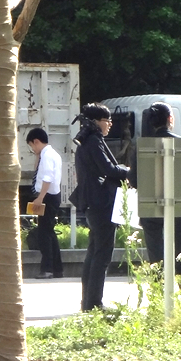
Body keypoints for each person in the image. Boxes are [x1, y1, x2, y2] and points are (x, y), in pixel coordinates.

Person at [129, 102, 181, 296]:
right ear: (170, 119)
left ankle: (159, 297)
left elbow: (133, 180)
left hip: (150, 206)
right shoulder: (180, 143)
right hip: (176, 205)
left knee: (156, 256)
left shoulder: (140, 146)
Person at [73, 103, 129, 311]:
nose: (110, 124)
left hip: (91, 202)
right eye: (107, 120)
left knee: (94, 253)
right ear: (96, 122)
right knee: (102, 255)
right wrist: (128, 172)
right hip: (101, 203)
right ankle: (94, 303)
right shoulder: (94, 141)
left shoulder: (85, 141)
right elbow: (108, 169)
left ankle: (87, 302)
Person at [26, 128, 64, 279]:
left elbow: (47, 178)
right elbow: (38, 172)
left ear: (36, 141)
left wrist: (40, 198)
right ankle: (57, 269)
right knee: (49, 232)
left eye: (32, 146)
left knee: (44, 234)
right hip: (51, 196)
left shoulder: (47, 156)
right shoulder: (49, 154)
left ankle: (47, 269)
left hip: (47, 197)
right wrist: (37, 156)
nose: (33, 150)